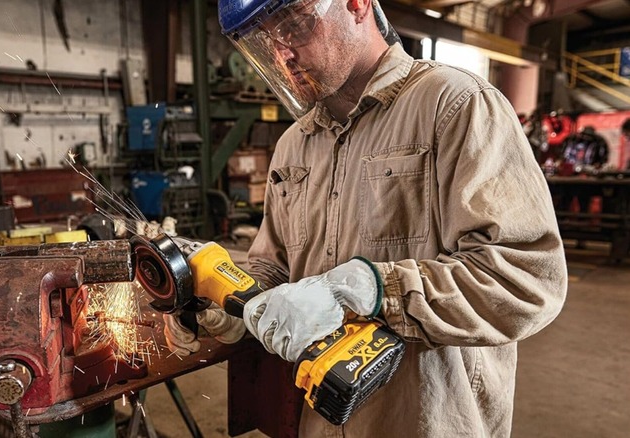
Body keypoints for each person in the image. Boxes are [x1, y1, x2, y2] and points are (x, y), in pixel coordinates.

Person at [164, 0, 567, 436]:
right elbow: (276, 267)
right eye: (264, 42)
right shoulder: (294, 145)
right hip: (321, 417)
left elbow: (525, 279)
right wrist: (230, 305)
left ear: (356, 5)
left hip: (424, 421)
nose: (283, 54)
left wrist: (367, 289)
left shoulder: (455, 106)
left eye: (294, 26)